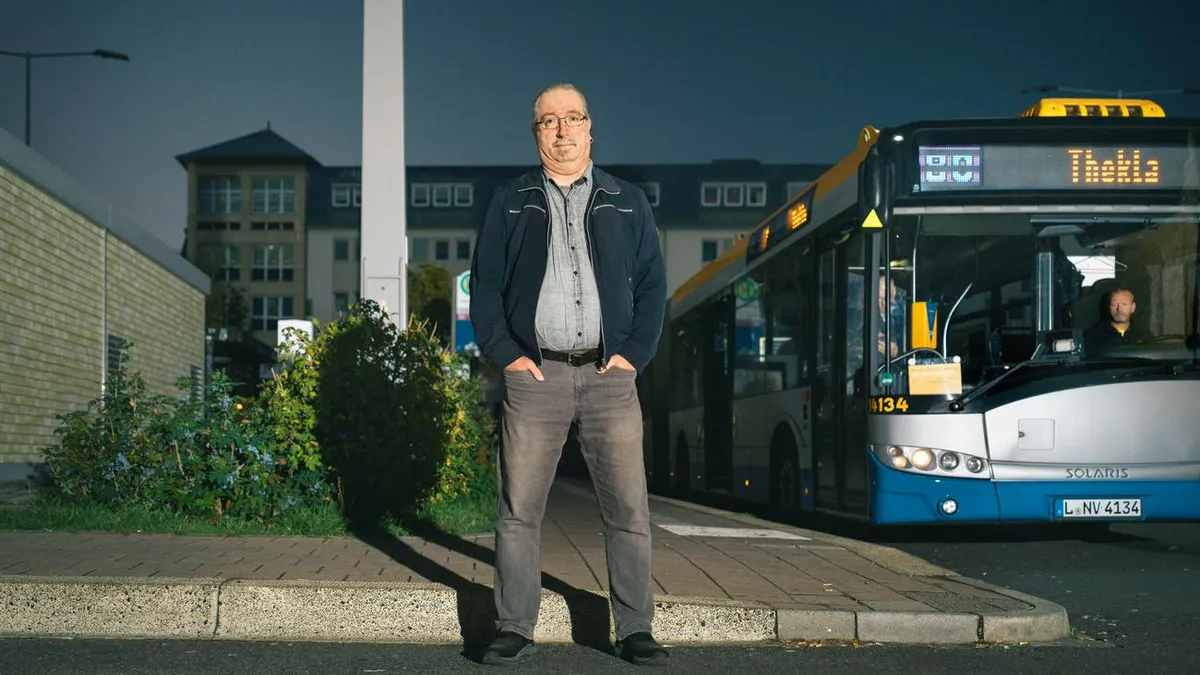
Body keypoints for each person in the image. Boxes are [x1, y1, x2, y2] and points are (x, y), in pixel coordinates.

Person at [469, 82, 669, 667]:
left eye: (572, 118)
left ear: (590, 128)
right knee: (518, 511)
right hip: (536, 379)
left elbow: (654, 285)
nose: (562, 130)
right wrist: (509, 356)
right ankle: (514, 626)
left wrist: (633, 354)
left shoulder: (628, 199)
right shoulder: (509, 200)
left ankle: (634, 628)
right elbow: (484, 287)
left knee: (629, 510)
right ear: (536, 133)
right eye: (548, 121)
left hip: (611, 377)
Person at [1084, 287, 1143, 355]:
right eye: (1114, 305)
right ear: (1109, 308)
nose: (1119, 309)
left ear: (1133, 307)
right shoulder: (1093, 337)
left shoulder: (1144, 336)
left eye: (1124, 304)